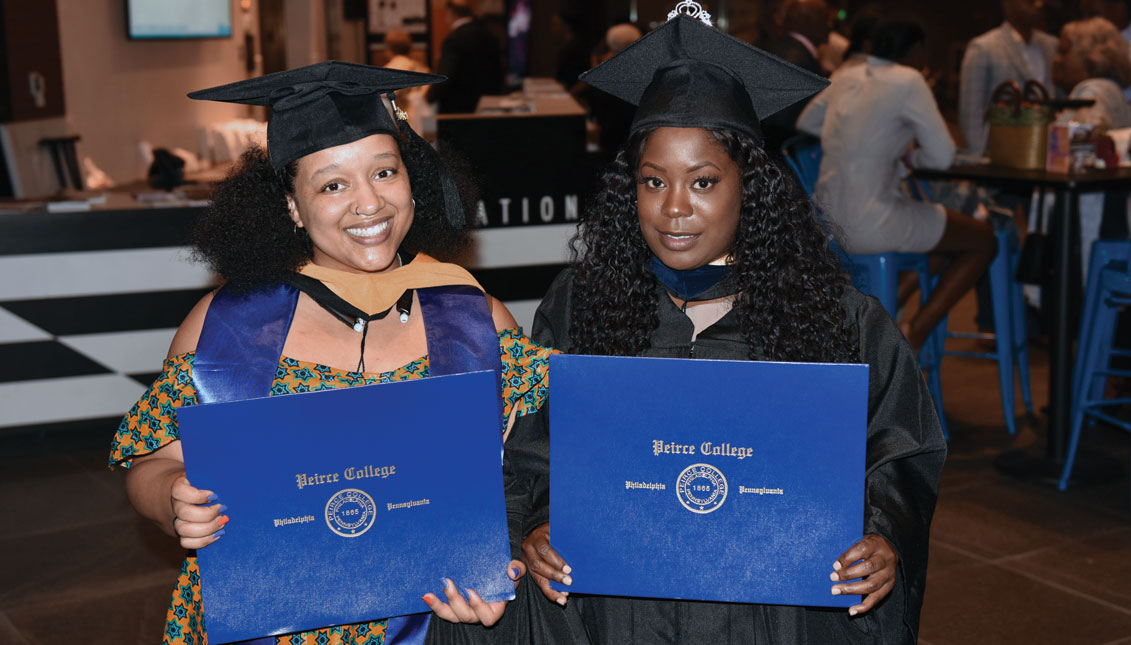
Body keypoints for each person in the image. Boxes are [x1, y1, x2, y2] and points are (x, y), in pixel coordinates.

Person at [508, 9, 947, 644]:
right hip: (619, 610)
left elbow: (901, 450)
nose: (674, 208)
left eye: (704, 181)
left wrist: (885, 536)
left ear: (750, 186)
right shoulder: (582, 304)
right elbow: (533, 446)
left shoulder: (834, 317)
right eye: (652, 181)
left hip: (772, 614)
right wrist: (541, 524)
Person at [109, 61, 554, 645]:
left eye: (384, 172)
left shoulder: (475, 318)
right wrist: (173, 501)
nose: (368, 204)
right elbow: (153, 465)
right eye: (332, 184)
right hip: (267, 623)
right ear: (293, 206)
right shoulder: (229, 327)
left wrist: (499, 560)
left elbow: (521, 478)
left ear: (412, 179)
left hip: (427, 625)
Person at [799, 18, 997, 352]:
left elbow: (807, 122)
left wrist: (857, 141)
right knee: (982, 240)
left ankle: (879, 317)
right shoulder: (909, 80)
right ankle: (915, 332)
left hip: (826, 221)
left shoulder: (845, 74)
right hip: (873, 221)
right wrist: (908, 159)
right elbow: (942, 156)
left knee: (941, 247)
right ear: (916, 50)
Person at [1052, 17, 1131, 275]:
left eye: (1065, 51)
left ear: (1090, 57)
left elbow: (1091, 134)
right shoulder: (1112, 90)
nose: (1057, 58)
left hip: (1089, 216)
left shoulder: (1091, 90)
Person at [959, 0, 1058, 156]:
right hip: (1001, 151)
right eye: (1030, 1)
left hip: (1045, 151)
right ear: (1008, 4)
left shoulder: (1052, 45)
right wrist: (977, 156)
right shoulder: (983, 47)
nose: (1038, 5)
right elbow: (971, 112)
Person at [426, 0, 504, 114]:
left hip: (457, 110)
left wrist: (430, 96)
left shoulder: (454, 39)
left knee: (429, 127)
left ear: (450, 12)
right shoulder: (489, 35)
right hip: (488, 106)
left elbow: (445, 77)